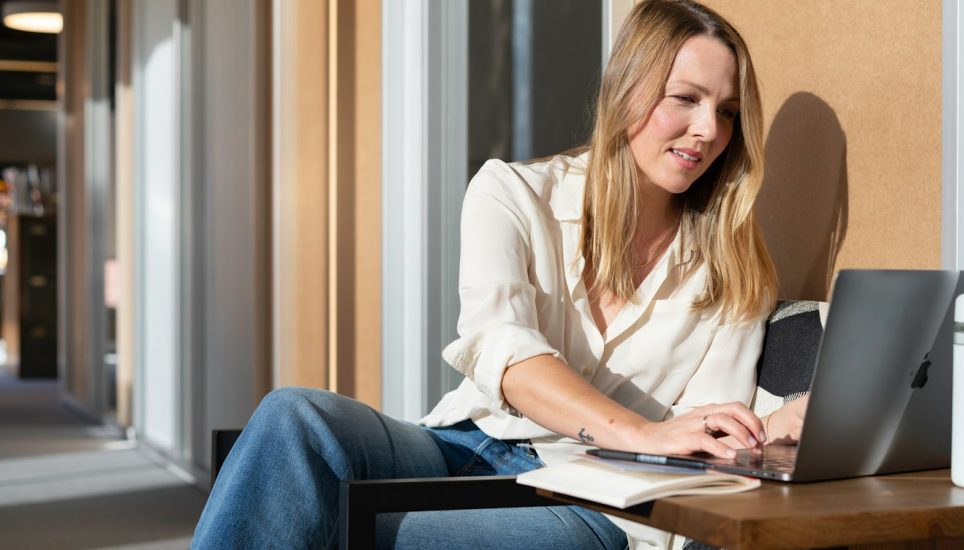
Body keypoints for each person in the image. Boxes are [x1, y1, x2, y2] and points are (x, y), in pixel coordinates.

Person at [191, 1, 808, 548]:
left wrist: (778, 426)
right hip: (465, 442)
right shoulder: (512, 194)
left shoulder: (733, 269)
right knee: (293, 418)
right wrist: (642, 428)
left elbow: (706, 430)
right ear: (628, 93)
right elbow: (504, 353)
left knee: (344, 528)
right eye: (686, 99)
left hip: (590, 502)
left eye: (727, 112)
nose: (709, 131)